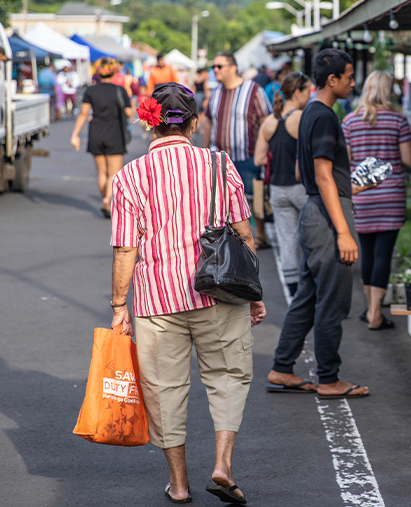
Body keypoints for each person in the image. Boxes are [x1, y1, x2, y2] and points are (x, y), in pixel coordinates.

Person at [109, 82, 267, 505]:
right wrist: (255, 293)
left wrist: (119, 305)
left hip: (157, 303)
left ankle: (179, 485)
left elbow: (126, 248)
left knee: (164, 389)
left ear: (149, 124)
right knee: (228, 376)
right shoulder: (220, 165)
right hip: (219, 293)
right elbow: (244, 235)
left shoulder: (129, 176)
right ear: (195, 124)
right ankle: (222, 464)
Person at [266, 49, 371, 399]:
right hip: (328, 218)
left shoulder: (307, 112)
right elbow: (324, 174)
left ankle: (282, 367)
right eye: (349, 76)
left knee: (308, 298)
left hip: (314, 210)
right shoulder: (325, 116)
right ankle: (329, 378)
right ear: (332, 79)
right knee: (332, 301)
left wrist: (347, 185)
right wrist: (343, 231)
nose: (353, 83)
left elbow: (304, 172)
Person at [342, 71, 411, 330]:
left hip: (360, 195)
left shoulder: (350, 122)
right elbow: (408, 160)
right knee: (384, 255)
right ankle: (375, 313)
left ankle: (370, 309)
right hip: (390, 195)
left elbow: (347, 161)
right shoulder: (398, 121)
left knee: (367, 255)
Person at [202, 51, 273, 249]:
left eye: (219, 66)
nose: (215, 70)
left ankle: (260, 235)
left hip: (247, 155)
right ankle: (227, 236)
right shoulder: (215, 92)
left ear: (233, 67)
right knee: (219, 198)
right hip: (220, 158)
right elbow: (208, 122)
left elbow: (265, 121)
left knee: (252, 195)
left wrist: (263, 152)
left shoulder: (253, 90)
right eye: (213, 66)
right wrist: (205, 150)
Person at [253, 72, 312, 297]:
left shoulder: (270, 121)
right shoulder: (302, 118)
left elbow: (258, 158)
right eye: (307, 91)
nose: (309, 95)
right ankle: (312, 285)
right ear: (297, 92)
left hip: (277, 188)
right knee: (311, 237)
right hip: (302, 187)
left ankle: (293, 290)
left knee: (287, 239)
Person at [70, 58, 133, 218]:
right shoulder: (120, 91)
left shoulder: (91, 91)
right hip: (115, 132)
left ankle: (105, 199)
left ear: (98, 72)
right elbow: (129, 113)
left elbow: (84, 113)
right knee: (114, 172)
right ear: (114, 72)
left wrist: (75, 134)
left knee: (102, 173)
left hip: (96, 131)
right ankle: (108, 198)